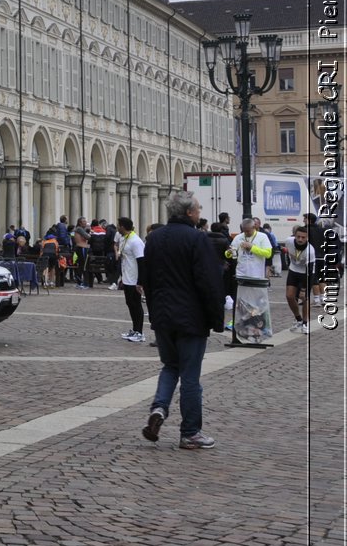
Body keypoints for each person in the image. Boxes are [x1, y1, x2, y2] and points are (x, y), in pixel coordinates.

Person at [139, 192, 225, 449]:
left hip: (163, 315)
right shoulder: (197, 239)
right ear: (189, 213)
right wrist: (216, 318)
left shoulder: (153, 238)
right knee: (190, 376)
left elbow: (147, 279)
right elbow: (208, 282)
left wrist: (155, 313)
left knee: (169, 366)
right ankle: (190, 431)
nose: (200, 212)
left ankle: (159, 409)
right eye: (198, 209)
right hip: (191, 317)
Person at [230, 217, 274, 344]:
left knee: (256, 306)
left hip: (256, 276)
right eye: (244, 231)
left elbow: (267, 253)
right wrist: (229, 253)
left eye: (248, 231)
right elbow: (232, 252)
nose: (246, 233)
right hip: (241, 275)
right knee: (241, 305)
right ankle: (240, 333)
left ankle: (258, 332)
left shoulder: (262, 237)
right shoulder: (238, 238)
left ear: (254, 228)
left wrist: (252, 248)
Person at [116, 216, 147, 343]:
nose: (117, 227)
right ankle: (135, 329)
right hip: (127, 278)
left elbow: (141, 262)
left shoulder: (135, 241)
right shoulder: (124, 238)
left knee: (136, 305)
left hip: (134, 279)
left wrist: (140, 282)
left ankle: (140, 332)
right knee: (130, 304)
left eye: (118, 225)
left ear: (123, 226)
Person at [285, 224, 315, 333]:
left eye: (303, 237)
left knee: (304, 298)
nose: (300, 239)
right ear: (294, 236)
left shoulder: (310, 251)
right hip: (293, 270)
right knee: (289, 296)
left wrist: (303, 289)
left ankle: (305, 323)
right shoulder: (288, 241)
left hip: (306, 273)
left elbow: (310, 272)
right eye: (298, 237)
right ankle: (298, 319)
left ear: (307, 238)